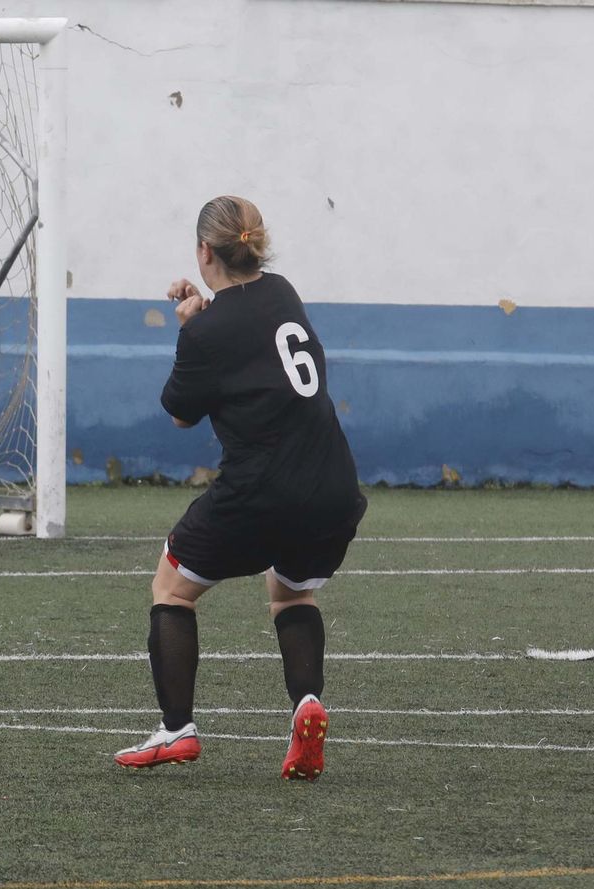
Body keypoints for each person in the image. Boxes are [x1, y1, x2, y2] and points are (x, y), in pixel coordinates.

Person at [113, 195, 365, 780]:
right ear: (255, 247)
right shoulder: (283, 291)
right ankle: (307, 704)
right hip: (332, 485)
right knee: (292, 594)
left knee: (171, 589)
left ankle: (176, 730)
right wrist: (206, 316)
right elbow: (251, 337)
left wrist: (191, 327)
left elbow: (181, 414)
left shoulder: (204, 333)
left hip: (260, 489)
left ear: (205, 251)